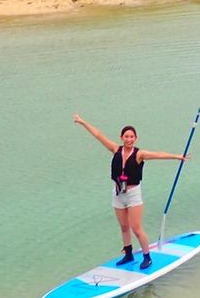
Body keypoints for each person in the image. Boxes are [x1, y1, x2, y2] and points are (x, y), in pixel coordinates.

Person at [74, 115, 189, 270]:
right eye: (126, 136)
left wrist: (177, 157)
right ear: (121, 137)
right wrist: (83, 122)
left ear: (136, 138)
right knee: (123, 226)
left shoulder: (139, 154)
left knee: (136, 228)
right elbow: (98, 135)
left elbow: (158, 154)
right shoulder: (115, 149)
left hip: (133, 194)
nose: (129, 139)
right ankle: (128, 254)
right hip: (117, 193)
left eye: (132, 137)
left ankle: (147, 257)